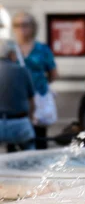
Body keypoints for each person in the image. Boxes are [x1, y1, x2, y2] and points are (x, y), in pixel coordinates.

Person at [12, 11, 58, 150]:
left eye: (25, 25)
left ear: (33, 27)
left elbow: (53, 73)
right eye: (17, 25)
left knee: (39, 135)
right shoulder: (9, 49)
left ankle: (40, 168)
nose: (21, 29)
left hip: (38, 97)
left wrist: (41, 84)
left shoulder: (42, 49)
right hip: (17, 99)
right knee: (15, 138)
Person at [0, 39, 36, 152]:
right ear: (11, 54)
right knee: (30, 159)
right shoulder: (22, 71)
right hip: (20, 123)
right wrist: (30, 118)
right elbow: (32, 102)